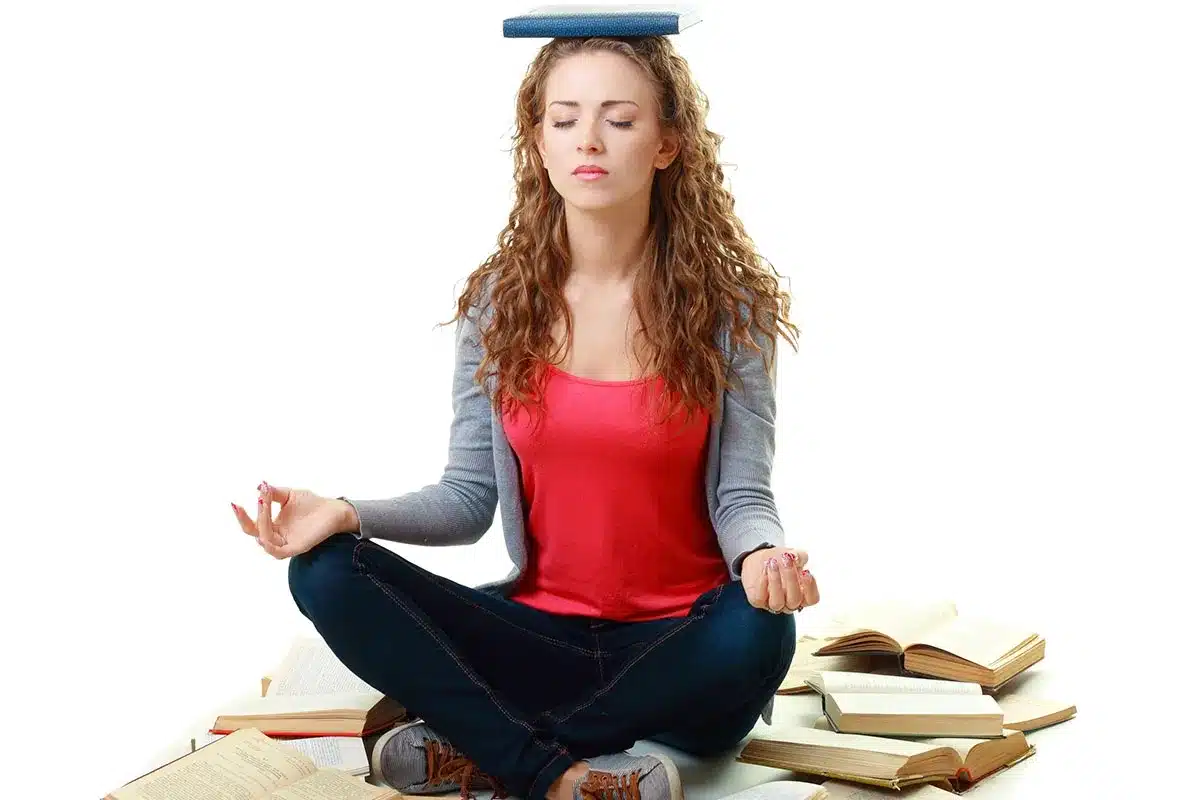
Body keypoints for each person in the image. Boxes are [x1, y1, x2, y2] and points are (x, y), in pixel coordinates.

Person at [231, 34, 820, 800]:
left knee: (760, 629)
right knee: (326, 570)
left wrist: (762, 560)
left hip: (681, 650)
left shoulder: (730, 314)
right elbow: (467, 499)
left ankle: (489, 750)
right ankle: (562, 773)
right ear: (537, 141)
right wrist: (343, 512)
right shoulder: (498, 306)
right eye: (565, 118)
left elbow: (742, 498)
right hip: (535, 637)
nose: (589, 140)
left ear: (669, 143)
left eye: (619, 119)